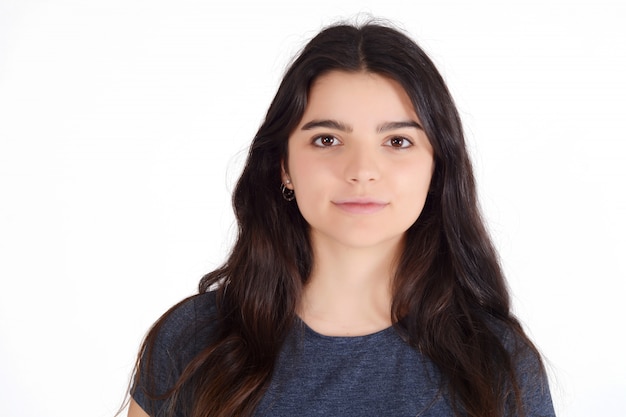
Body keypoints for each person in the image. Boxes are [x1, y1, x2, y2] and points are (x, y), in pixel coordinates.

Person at [125, 21, 555, 417]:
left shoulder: (497, 364)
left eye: (398, 140)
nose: (362, 169)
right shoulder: (192, 342)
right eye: (327, 139)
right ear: (283, 166)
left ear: (437, 167)